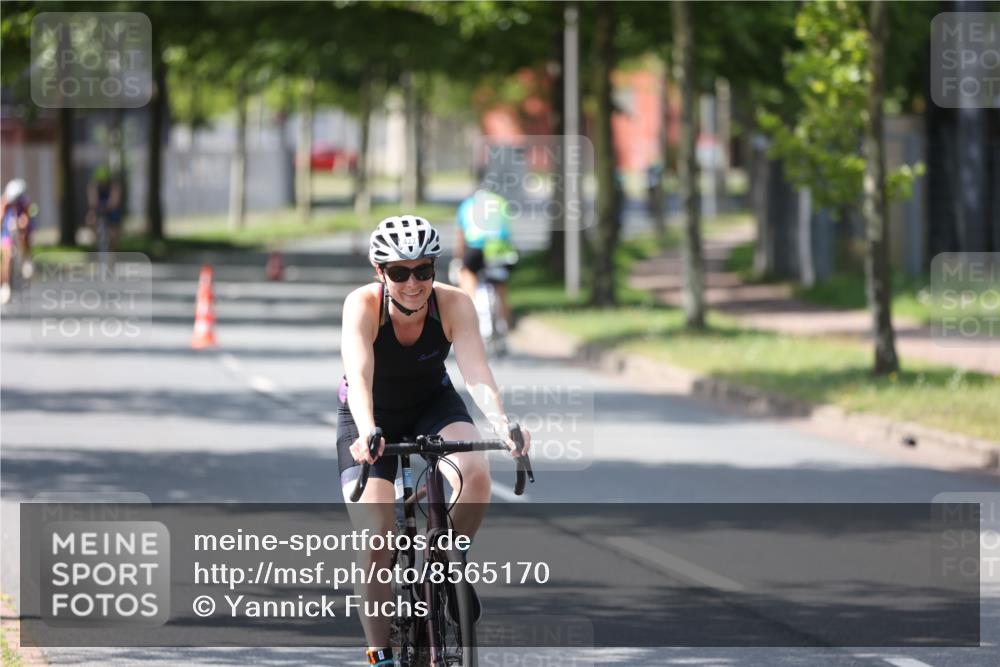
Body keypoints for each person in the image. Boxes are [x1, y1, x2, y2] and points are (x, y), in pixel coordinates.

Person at [338, 215, 531, 665]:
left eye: (423, 270)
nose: (412, 283)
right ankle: (379, 653)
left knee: (475, 473)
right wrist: (368, 430)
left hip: (431, 403)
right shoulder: (362, 305)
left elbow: (477, 373)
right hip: (370, 414)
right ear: (379, 271)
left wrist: (503, 426)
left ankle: (441, 566)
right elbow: (360, 375)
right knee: (376, 537)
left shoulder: (453, 304)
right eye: (399, 272)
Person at [454, 182, 517, 331]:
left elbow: (461, 237)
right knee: (501, 285)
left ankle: (469, 313)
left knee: (467, 275)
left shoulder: (467, 205)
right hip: (500, 249)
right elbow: (507, 231)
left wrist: (459, 257)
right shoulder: (501, 202)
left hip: (476, 248)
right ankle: (507, 323)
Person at [1, 178, 36, 305]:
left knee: (24, 237)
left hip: (20, 229)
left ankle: (27, 259)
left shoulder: (24, 202)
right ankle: (5, 285)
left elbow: (26, 219)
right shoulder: (5, 202)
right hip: (7, 231)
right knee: (7, 256)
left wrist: (21, 224)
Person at [86, 165, 122, 252]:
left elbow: (114, 202)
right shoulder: (93, 186)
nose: (102, 184)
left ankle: (113, 248)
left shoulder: (114, 186)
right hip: (98, 209)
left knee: (114, 234)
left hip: (111, 210)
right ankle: (95, 239)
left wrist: (107, 207)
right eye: (100, 182)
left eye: (104, 182)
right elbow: (92, 203)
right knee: (90, 220)